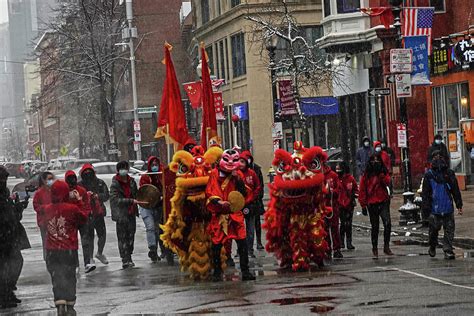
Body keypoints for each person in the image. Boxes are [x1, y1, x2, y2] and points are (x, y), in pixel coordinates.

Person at [206, 149, 256, 282]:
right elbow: (211, 190)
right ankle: (217, 271)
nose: (230, 163)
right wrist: (219, 201)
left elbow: (243, 193)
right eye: (227, 159)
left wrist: (237, 178)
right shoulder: (215, 174)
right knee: (216, 243)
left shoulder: (237, 175)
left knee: (242, 242)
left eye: (234, 160)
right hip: (220, 214)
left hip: (235, 214)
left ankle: (245, 271)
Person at [43, 180, 87, 315]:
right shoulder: (72, 209)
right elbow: (83, 219)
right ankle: (69, 303)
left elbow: (43, 224)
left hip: (52, 250)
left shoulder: (47, 209)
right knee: (69, 277)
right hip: (68, 249)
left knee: (56, 277)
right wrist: (79, 201)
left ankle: (60, 302)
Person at [421, 151, 463, 260]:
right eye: (436, 157)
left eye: (440, 156)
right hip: (434, 209)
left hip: (447, 207)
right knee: (434, 230)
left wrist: (459, 204)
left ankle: (448, 249)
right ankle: (432, 245)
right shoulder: (429, 175)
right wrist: (426, 210)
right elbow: (425, 194)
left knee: (449, 229)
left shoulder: (449, 173)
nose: (438, 159)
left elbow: (455, 189)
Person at [0, 166, 29, 309]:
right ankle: (4, 295)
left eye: (5, 178)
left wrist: (19, 206)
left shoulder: (4, 193)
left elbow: (13, 216)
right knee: (5, 266)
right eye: (1, 178)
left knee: (15, 262)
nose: (4, 180)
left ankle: (8, 292)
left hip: (9, 235)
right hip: (3, 236)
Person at [359, 154, 393, 258]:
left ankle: (386, 246)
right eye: (373, 160)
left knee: (387, 223)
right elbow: (362, 189)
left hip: (383, 201)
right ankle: (375, 247)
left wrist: (381, 176)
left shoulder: (383, 172)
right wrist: (363, 204)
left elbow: (387, 182)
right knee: (375, 226)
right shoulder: (367, 175)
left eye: (377, 160)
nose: (375, 162)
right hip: (372, 203)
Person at [138, 156, 171, 264]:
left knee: (161, 229)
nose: (155, 166)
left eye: (156, 164)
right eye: (152, 164)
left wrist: (162, 196)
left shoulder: (163, 175)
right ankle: (152, 249)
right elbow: (143, 191)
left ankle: (164, 250)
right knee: (151, 227)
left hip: (160, 206)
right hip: (147, 206)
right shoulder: (145, 177)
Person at [110, 161, 139, 269]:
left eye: (125, 168)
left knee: (131, 236)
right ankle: (125, 259)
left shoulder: (132, 181)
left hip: (131, 213)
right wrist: (130, 201)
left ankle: (129, 256)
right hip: (121, 215)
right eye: (121, 168)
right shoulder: (115, 183)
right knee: (122, 238)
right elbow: (114, 199)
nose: (124, 170)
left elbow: (137, 194)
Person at [79, 164, 109, 265]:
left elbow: (106, 196)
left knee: (102, 235)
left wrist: (97, 196)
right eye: (85, 173)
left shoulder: (100, 183)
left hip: (98, 213)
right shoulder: (80, 185)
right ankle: (90, 257)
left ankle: (99, 253)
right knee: (90, 236)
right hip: (87, 214)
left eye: (89, 172)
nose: (88, 175)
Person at [65, 170, 95, 273]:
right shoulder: (64, 192)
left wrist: (84, 214)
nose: (72, 181)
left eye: (73, 178)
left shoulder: (81, 190)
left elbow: (86, 205)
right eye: (70, 179)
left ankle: (87, 262)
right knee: (73, 244)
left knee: (85, 241)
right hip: (71, 221)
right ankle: (75, 264)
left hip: (82, 220)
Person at [239, 151, 262, 258]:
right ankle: (241, 250)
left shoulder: (252, 173)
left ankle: (250, 249)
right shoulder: (236, 174)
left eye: (243, 161)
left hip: (250, 205)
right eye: (239, 161)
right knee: (239, 229)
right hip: (239, 205)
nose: (240, 163)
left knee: (250, 229)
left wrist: (252, 197)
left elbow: (258, 186)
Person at [336, 161, 358, 250]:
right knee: (343, 224)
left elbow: (356, 189)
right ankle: (341, 241)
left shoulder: (350, 179)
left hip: (349, 204)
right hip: (340, 204)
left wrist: (354, 194)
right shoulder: (337, 179)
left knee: (348, 224)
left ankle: (348, 242)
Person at [33, 171, 54, 260]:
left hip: (54, 221)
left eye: (52, 179)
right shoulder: (39, 193)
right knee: (46, 242)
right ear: (44, 180)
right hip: (44, 222)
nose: (51, 181)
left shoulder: (54, 190)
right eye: (49, 179)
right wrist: (46, 208)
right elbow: (36, 206)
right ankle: (47, 258)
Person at [323, 162, 342, 259]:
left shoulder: (333, 175)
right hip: (322, 206)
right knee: (324, 229)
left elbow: (338, 190)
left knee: (334, 228)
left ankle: (337, 249)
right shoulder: (317, 175)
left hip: (333, 205)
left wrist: (331, 191)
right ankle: (327, 249)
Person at [247, 153, 265, 250]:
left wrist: (258, 196)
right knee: (247, 224)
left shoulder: (256, 169)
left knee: (257, 222)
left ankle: (258, 241)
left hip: (256, 201)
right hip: (246, 202)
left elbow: (260, 185)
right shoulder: (241, 170)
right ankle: (249, 245)